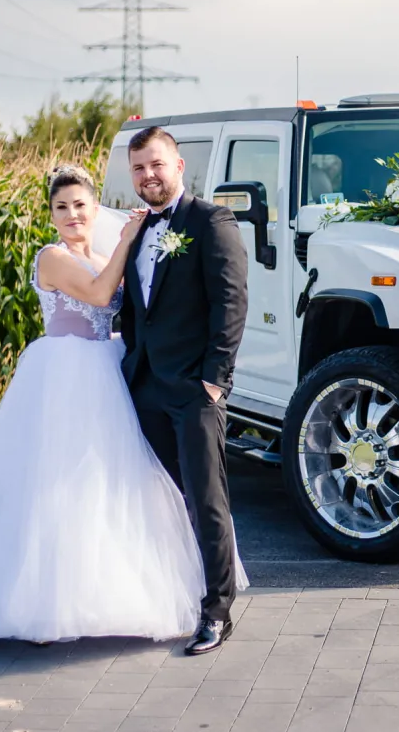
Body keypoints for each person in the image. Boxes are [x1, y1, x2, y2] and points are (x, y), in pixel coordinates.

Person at [0, 163, 248, 645]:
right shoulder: (52, 257)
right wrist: (131, 236)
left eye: (80, 204)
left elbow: (135, 308)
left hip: (110, 368)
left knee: (116, 485)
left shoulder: (102, 248)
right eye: (61, 207)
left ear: (93, 206)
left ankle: (122, 591)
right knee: (64, 485)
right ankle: (50, 600)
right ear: (50, 214)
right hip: (65, 374)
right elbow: (102, 291)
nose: (72, 215)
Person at [120, 126, 250, 655]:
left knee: (206, 500)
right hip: (145, 385)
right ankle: (169, 599)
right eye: (138, 168)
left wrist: (215, 381)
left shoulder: (210, 220)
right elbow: (133, 306)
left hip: (195, 391)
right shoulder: (133, 229)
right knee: (161, 500)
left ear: (178, 165)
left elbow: (231, 302)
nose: (148, 176)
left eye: (156, 164)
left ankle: (217, 612)